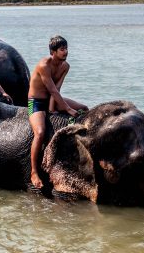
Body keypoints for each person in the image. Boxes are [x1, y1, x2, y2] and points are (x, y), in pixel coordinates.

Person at [28, 35, 88, 189]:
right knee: (40, 132)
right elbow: (52, 89)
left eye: (66, 49)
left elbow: (58, 90)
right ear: (53, 52)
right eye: (62, 49)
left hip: (52, 98)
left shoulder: (65, 66)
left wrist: (53, 108)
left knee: (84, 108)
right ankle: (34, 172)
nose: (65, 52)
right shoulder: (44, 65)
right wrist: (67, 109)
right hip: (34, 102)